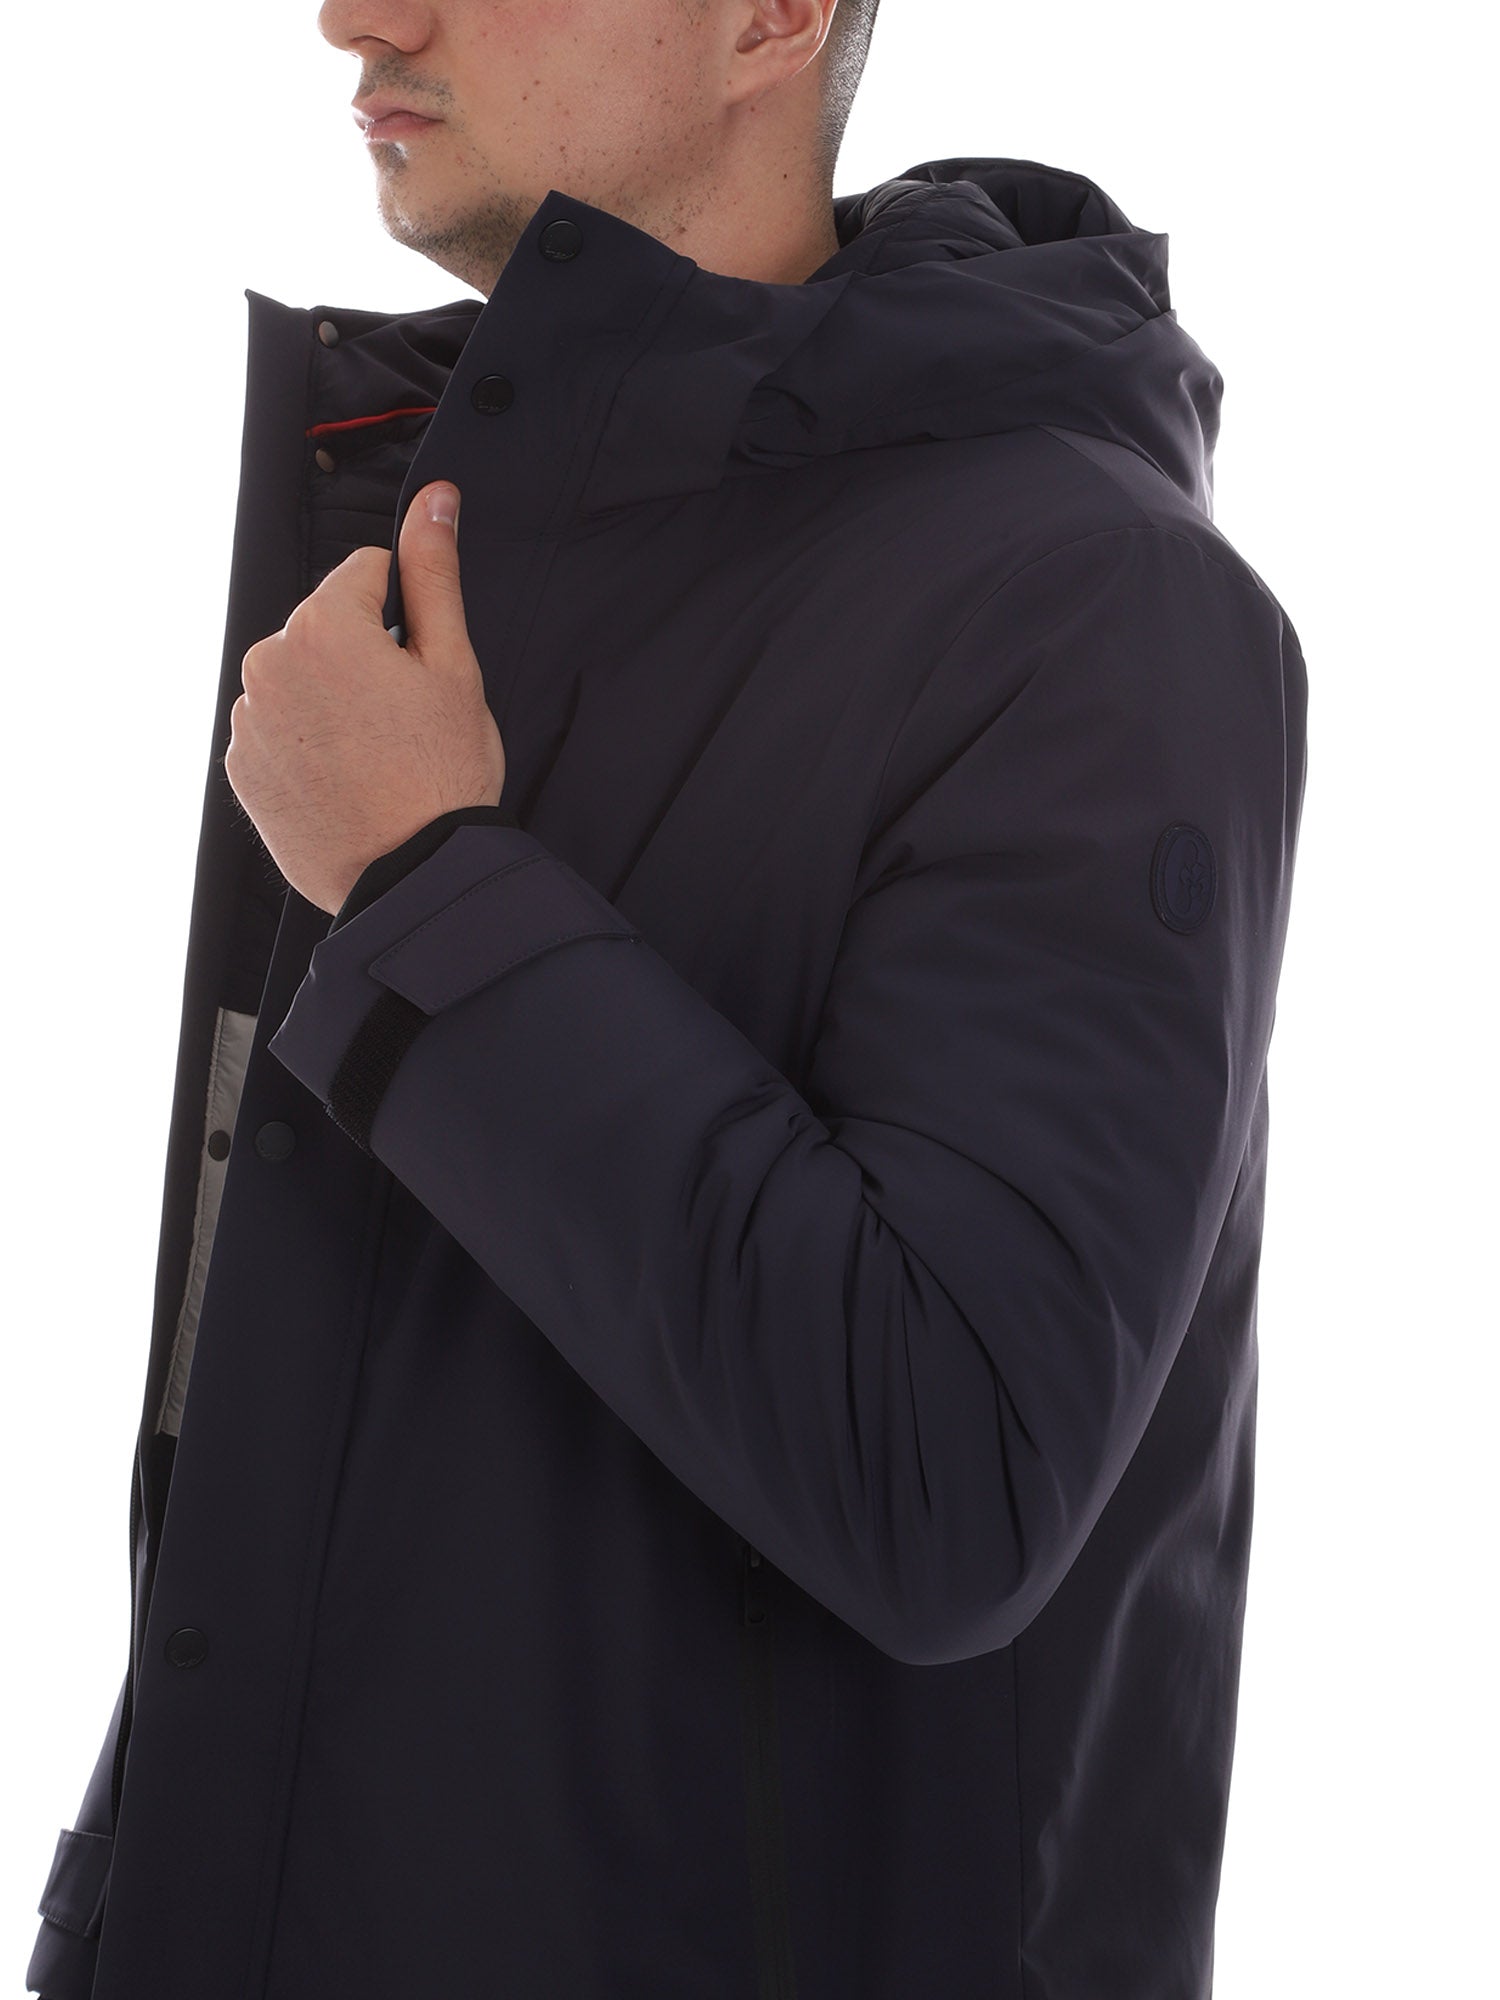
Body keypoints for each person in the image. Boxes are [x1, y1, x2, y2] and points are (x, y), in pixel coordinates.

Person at [25, 2, 1308, 1997]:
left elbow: (950, 1471)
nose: (357, 14)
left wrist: (424, 887)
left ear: (769, 17)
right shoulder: (446, 522)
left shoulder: (1091, 601)